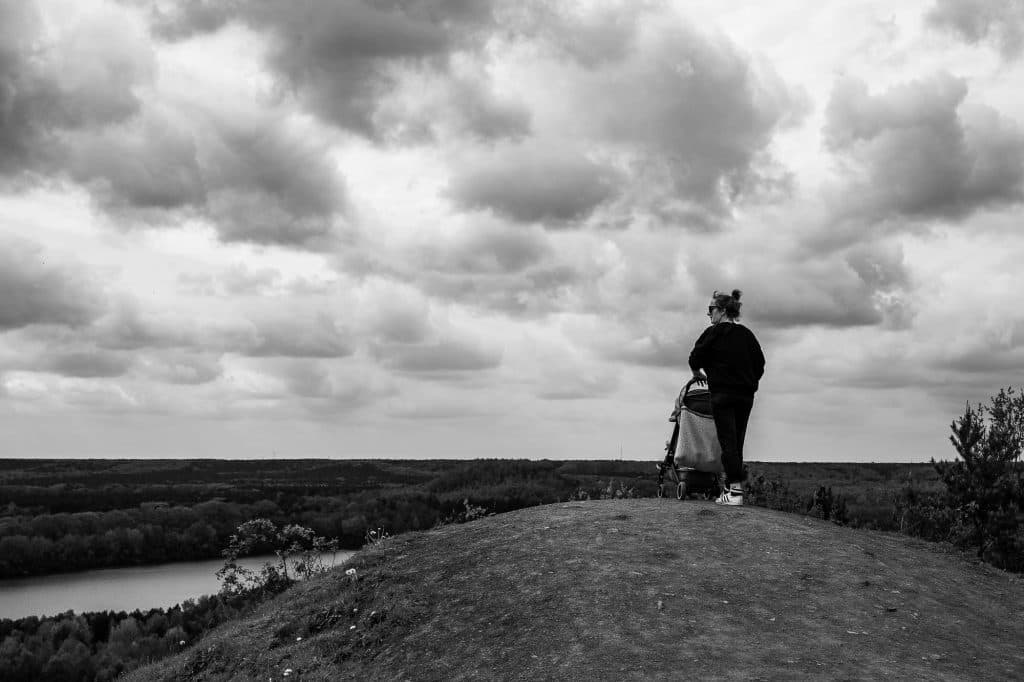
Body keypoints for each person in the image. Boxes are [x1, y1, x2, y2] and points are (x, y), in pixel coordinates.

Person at [688, 289, 765, 506]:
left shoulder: (713, 333)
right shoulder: (747, 335)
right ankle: (733, 490)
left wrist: (697, 373)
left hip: (722, 394)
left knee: (728, 443)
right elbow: (760, 363)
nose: (709, 314)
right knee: (737, 443)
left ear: (722, 311)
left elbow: (695, 357)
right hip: (745, 395)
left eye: (711, 309)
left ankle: (736, 494)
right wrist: (750, 381)